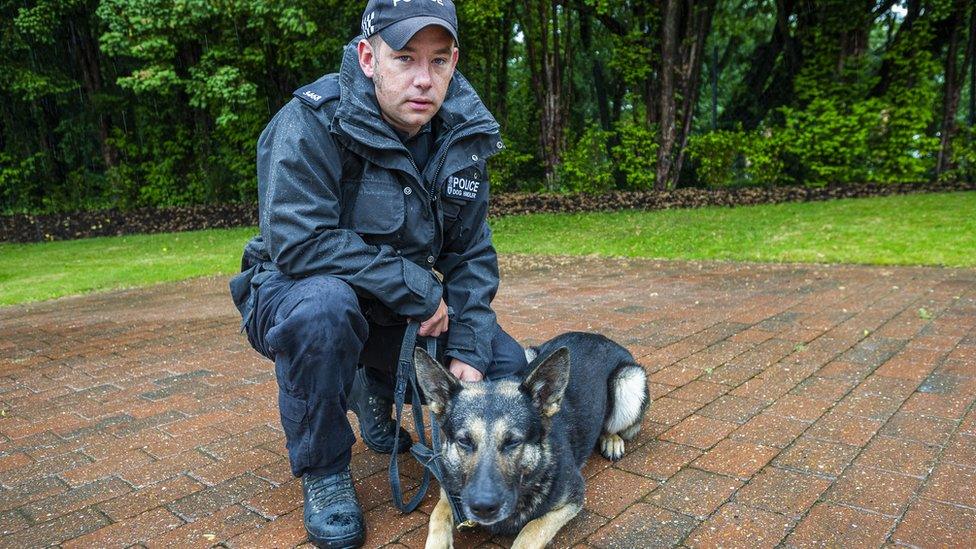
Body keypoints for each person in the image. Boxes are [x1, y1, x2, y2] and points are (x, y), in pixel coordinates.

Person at [229, 0, 526, 546]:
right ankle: (324, 470)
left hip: (394, 307)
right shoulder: (310, 122)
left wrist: (469, 346)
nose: (423, 79)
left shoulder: (463, 134)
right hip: (294, 292)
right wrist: (415, 287)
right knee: (325, 309)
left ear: (454, 62)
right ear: (368, 57)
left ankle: (372, 386)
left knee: (504, 366)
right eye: (405, 58)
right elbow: (299, 243)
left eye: (439, 61)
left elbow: (472, 256)